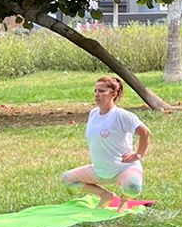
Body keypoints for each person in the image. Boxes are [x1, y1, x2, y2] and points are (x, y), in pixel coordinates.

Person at [61, 75, 151, 209]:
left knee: (133, 187)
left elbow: (145, 132)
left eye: (102, 91)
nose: (97, 94)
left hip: (123, 168)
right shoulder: (93, 113)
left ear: (114, 94)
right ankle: (105, 195)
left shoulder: (122, 115)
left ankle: (124, 199)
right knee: (67, 180)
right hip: (100, 170)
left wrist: (138, 154)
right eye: (95, 90)